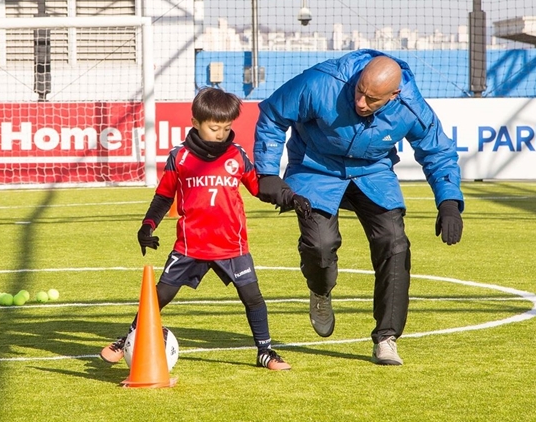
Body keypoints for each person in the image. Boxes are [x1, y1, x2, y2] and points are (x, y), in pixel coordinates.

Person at [254, 49, 464, 366]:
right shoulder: (320, 82)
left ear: (394, 95)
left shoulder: (410, 105)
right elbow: (272, 114)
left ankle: (386, 338)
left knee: (394, 243)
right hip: (315, 169)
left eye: (372, 99)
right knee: (320, 245)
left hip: (372, 173)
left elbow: (437, 150)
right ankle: (320, 291)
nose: (361, 103)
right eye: (359, 92)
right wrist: (267, 173)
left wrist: (448, 200)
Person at [100, 87, 310, 371]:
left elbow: (259, 186)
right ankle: (128, 338)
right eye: (214, 128)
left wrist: (290, 196)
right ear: (195, 123)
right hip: (190, 246)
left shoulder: (237, 155)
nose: (221, 134)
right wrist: (147, 226)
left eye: (226, 128)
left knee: (253, 298)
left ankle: (265, 352)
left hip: (231, 247)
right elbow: (164, 196)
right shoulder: (180, 158)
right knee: (159, 296)